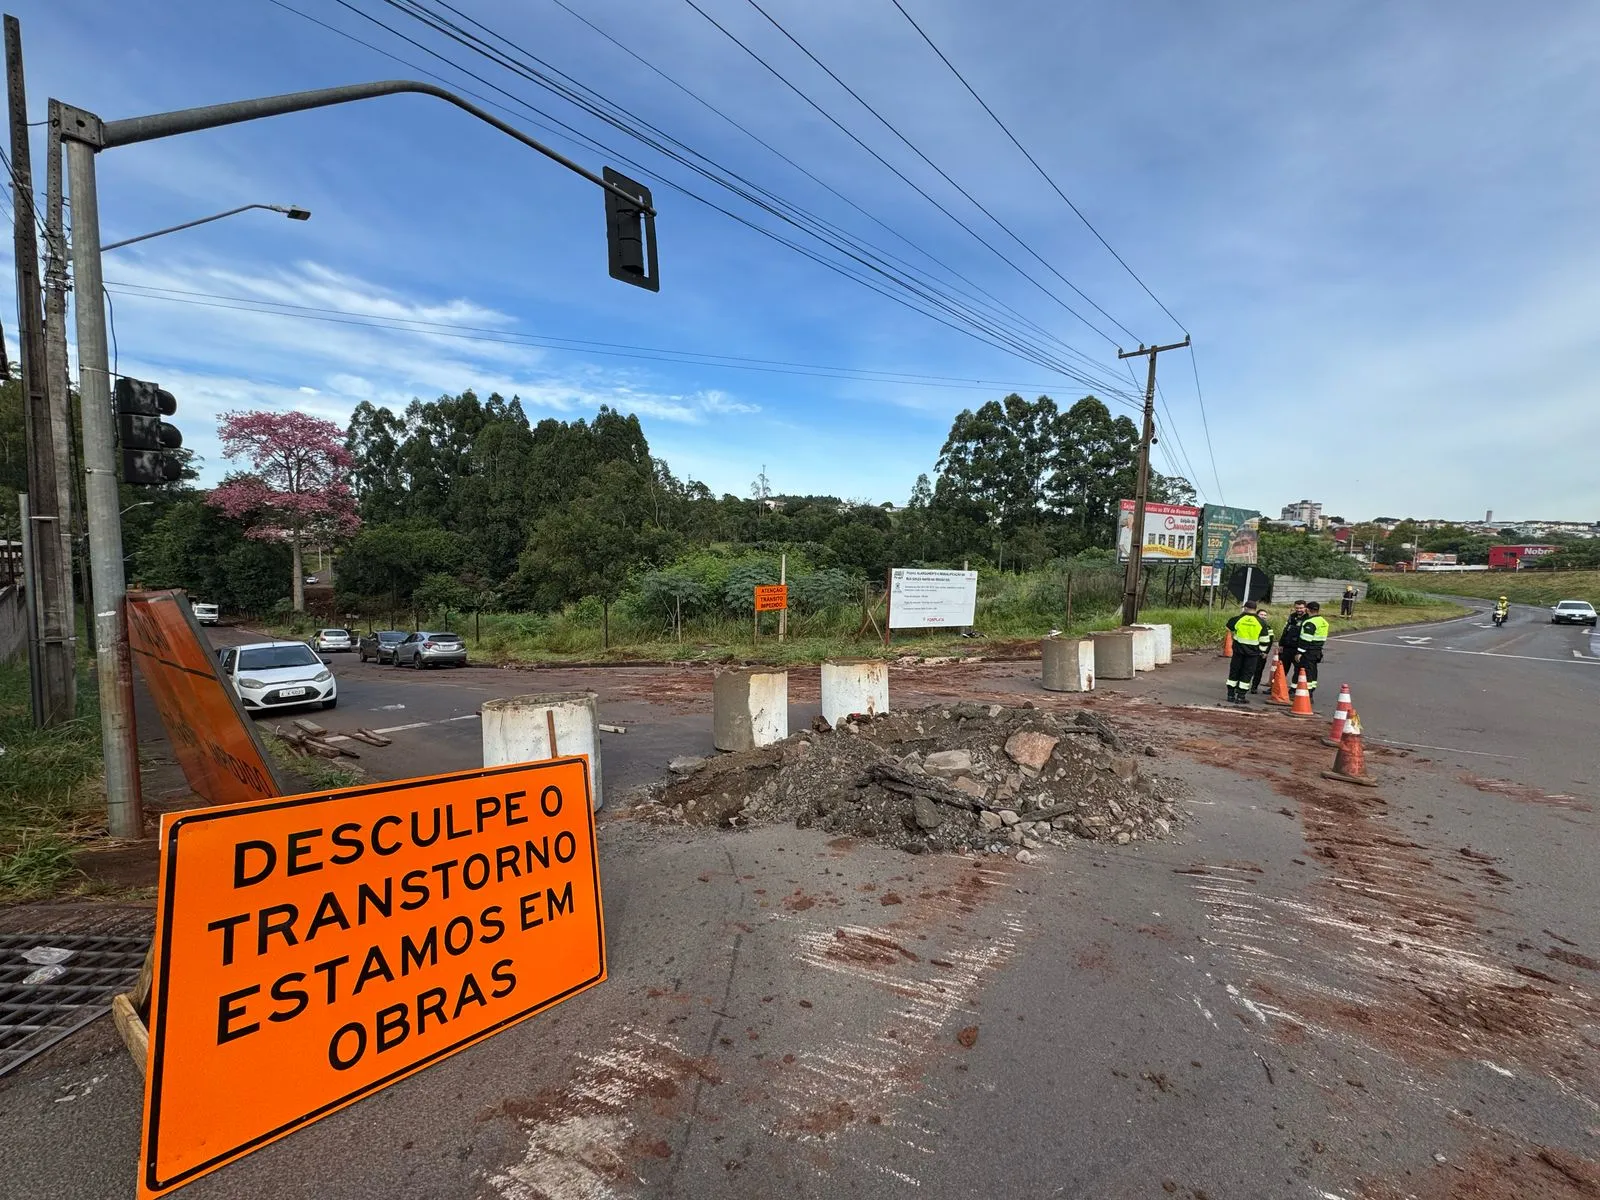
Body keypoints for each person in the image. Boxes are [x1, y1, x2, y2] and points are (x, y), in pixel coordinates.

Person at [1225, 601, 1264, 705]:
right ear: (1255, 609)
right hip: (1253, 653)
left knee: (1234, 672)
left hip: (1238, 651)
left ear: (1245, 608)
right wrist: (1263, 651)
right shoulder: (1261, 622)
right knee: (1247, 674)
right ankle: (1241, 697)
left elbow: (1228, 627)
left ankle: (1230, 695)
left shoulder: (1237, 619)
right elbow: (1265, 639)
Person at [1296, 601, 1331, 703]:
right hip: (1317, 650)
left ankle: (1307, 694)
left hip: (1308, 651)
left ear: (1307, 609)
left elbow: (1306, 639)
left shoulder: (1310, 622)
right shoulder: (1323, 621)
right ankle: (1310, 691)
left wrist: (1299, 652)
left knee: (1307, 671)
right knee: (1313, 671)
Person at [1278, 600, 1308, 686]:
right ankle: (1277, 687)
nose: (1299, 610)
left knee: (1298, 670)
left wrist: (1301, 651)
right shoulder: (1292, 616)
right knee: (1282, 669)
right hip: (1287, 647)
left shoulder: (1307, 619)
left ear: (1305, 608)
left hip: (1298, 648)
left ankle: (1293, 689)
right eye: (1297, 608)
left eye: (1301, 608)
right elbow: (1285, 630)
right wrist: (1281, 644)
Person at [1250, 606, 1274, 693]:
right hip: (1251, 651)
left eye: (1265, 615)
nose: (1263, 616)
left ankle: (1254, 687)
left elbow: (1270, 641)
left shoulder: (1268, 627)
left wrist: (1266, 652)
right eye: (1261, 614)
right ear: (1257, 615)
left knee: (1259, 670)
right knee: (1248, 669)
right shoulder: (1252, 625)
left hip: (1262, 653)